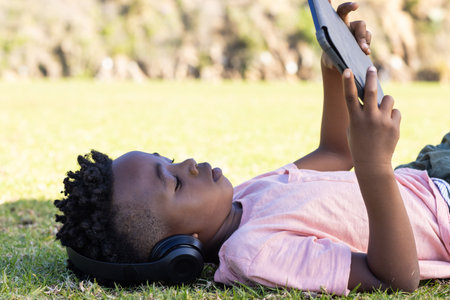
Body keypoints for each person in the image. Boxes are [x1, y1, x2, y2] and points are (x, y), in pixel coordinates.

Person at [54, 2, 450, 295]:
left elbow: (335, 154)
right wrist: (376, 166)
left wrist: (335, 71)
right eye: (175, 183)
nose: (189, 164)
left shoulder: (245, 198)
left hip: (428, 174)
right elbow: (396, 279)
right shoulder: (253, 252)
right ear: (180, 248)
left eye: (171, 162)